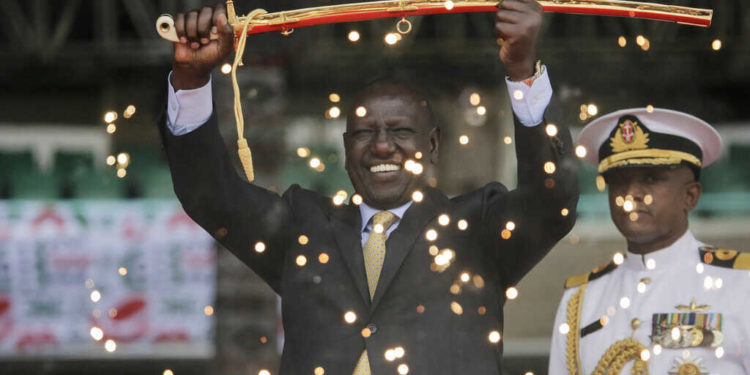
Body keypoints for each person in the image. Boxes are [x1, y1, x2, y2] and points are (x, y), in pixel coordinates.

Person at [161, 1, 578, 373]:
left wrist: (523, 72)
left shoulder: (478, 228)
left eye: (399, 131)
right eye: (364, 132)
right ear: (346, 148)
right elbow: (209, 195)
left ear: (431, 144)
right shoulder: (302, 227)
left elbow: (553, 198)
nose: (381, 145)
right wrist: (192, 79)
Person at [549, 108, 750, 374]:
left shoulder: (741, 284)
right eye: (619, 182)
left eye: (651, 179)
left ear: (690, 196)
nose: (632, 193)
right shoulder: (581, 299)